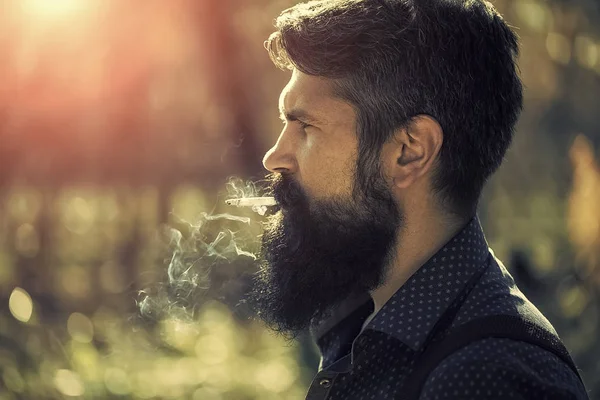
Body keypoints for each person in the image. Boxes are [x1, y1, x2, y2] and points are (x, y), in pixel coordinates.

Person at [246, 0, 590, 398]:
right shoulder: (368, 327)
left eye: (305, 126)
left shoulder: (485, 378)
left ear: (410, 151)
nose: (274, 157)